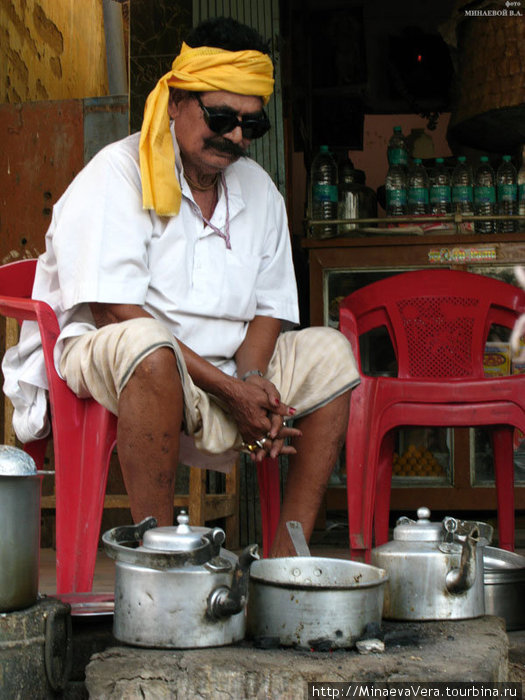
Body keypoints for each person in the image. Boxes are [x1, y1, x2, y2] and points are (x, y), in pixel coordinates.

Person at [2, 17, 359, 556]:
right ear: (174, 102)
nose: (236, 136)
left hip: (226, 365)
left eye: (250, 124)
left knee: (332, 354)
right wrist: (230, 389)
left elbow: (270, 308)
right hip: (117, 354)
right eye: (221, 117)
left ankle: (286, 568)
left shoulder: (260, 192)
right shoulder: (117, 174)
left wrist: (254, 379)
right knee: (152, 348)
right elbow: (116, 312)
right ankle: (163, 561)